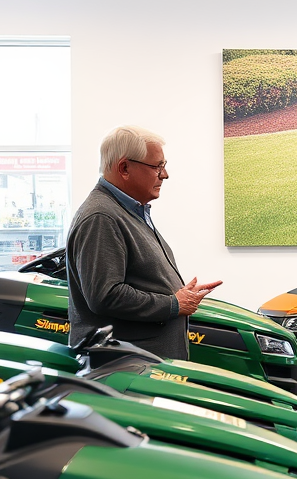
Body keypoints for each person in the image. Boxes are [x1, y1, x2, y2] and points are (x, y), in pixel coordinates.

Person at [66, 126, 221, 359]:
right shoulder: (101, 217)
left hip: (141, 363)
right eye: (157, 166)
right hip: (125, 369)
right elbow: (105, 295)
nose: (165, 174)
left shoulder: (126, 211)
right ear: (124, 168)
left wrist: (176, 295)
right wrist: (172, 304)